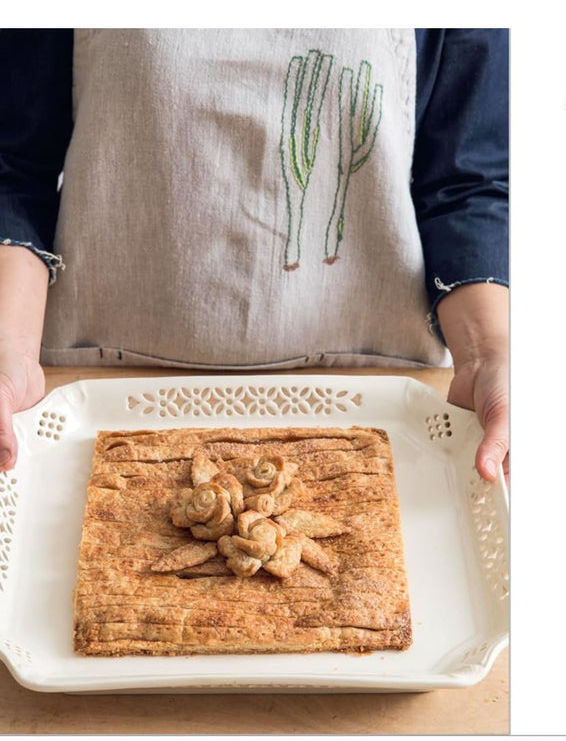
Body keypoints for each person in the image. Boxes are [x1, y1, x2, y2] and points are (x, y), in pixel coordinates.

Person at [0, 28, 509, 480]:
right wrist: (8, 362)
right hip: (89, 397)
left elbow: (466, 183)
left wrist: (491, 358)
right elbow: (16, 168)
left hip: (385, 402)